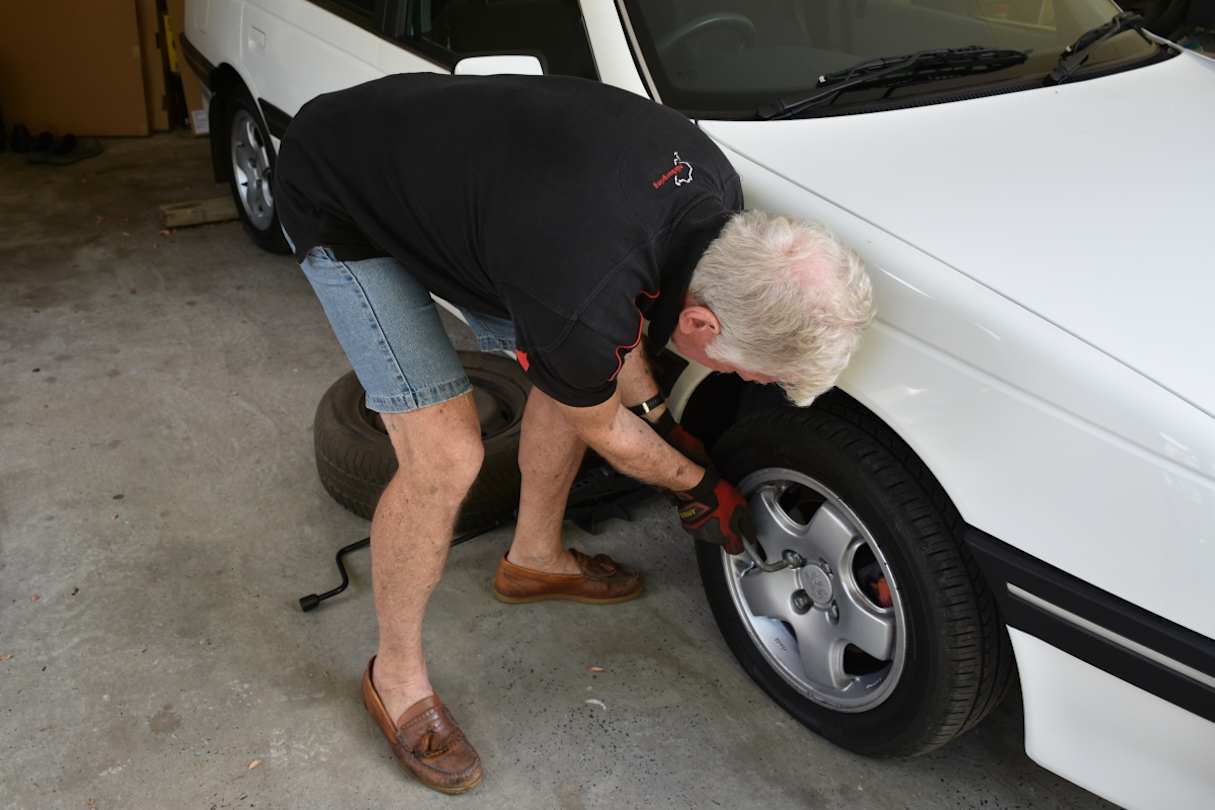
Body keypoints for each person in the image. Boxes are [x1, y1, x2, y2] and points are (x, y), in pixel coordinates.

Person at [275, 73, 874, 795]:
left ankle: (532, 561)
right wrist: (696, 481)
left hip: (486, 207)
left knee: (569, 378)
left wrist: (663, 427)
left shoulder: (714, 198)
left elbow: (608, 352)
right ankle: (393, 676)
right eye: (749, 373)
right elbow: (602, 410)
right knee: (447, 456)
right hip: (341, 189)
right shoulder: (582, 288)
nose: (747, 385)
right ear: (702, 324)